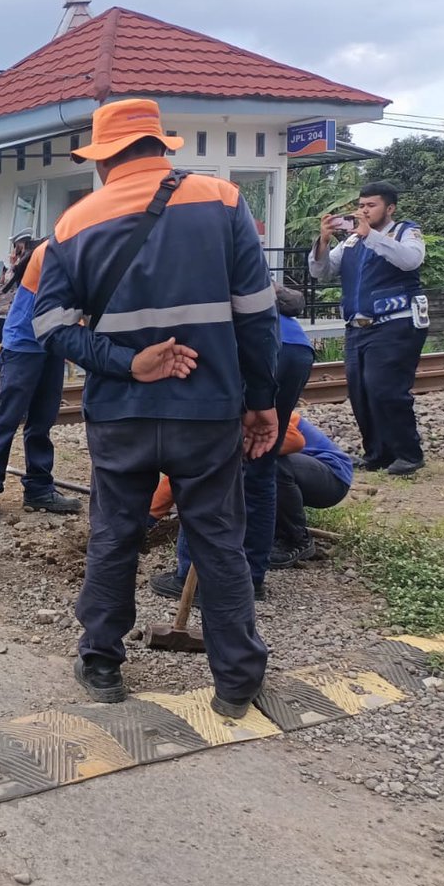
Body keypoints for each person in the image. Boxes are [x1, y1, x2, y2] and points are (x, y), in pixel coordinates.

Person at [32, 97, 278, 718]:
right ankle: (236, 682)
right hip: (208, 409)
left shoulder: (72, 225)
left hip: (121, 414)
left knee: (115, 534)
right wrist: (262, 401)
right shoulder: (222, 201)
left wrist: (127, 362)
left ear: (104, 159)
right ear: (161, 146)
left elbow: (50, 328)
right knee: (217, 540)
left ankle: (102, 663)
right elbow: (257, 316)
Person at [153, 284, 315, 601]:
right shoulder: (237, 260)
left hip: (245, 344)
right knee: (261, 465)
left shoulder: (184, 267)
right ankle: (250, 578)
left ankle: (193, 578)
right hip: (294, 346)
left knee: (205, 462)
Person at [310, 181, 427, 475]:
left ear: (390, 208)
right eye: (361, 205)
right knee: (361, 392)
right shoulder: (352, 241)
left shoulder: (406, 232)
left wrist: (371, 236)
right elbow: (321, 271)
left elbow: (411, 260)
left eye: (371, 205)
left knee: (385, 388)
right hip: (357, 327)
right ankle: (377, 454)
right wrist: (323, 241)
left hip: (395, 323)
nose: (364, 210)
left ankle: (408, 454)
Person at [0, 238, 83, 524]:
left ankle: (39, 488)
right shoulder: (54, 254)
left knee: (42, 420)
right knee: (6, 420)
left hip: (51, 346)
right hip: (23, 346)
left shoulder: (75, 251)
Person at [272, 414, 353, 566]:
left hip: (333, 477)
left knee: (272, 465)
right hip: (306, 472)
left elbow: (295, 442)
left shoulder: (263, 408)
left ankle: (296, 539)